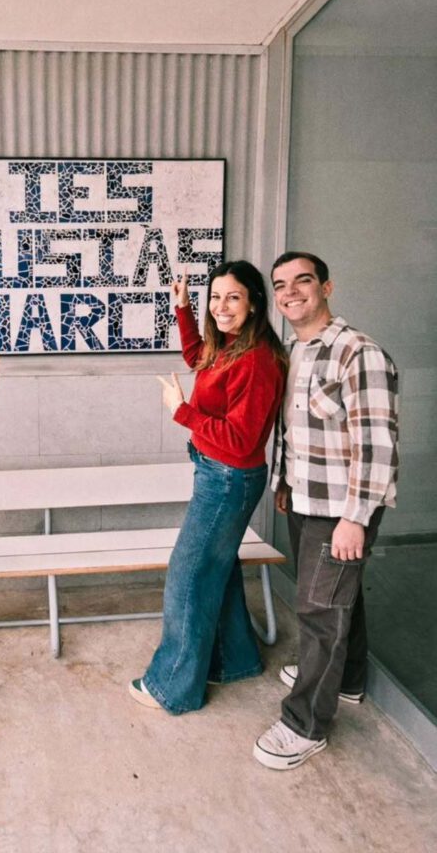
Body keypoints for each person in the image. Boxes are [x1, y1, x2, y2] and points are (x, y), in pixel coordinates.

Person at [253, 251, 398, 770]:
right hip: (306, 497)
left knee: (319, 612)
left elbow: (377, 445)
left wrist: (356, 518)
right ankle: (351, 678)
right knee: (339, 599)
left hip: (341, 508)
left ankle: (305, 724)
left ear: (327, 288)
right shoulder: (296, 350)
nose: (290, 291)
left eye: (303, 281)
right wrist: (283, 482)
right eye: (280, 284)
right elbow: (296, 429)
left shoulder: (358, 353)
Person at [129, 261, 287, 714]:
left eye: (232, 298)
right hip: (217, 474)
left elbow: (240, 439)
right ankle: (235, 660)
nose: (221, 307)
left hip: (228, 478)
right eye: (215, 298)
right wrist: (183, 307)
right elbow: (197, 356)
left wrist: (183, 411)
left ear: (254, 303)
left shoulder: (257, 360)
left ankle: (171, 686)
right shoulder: (233, 347)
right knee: (217, 569)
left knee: (189, 575)